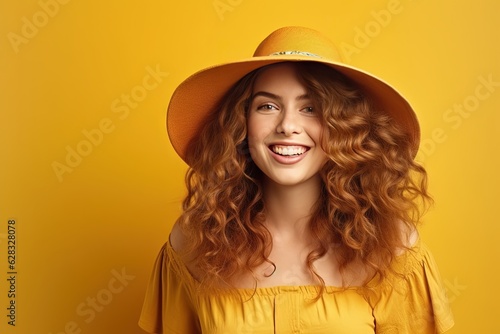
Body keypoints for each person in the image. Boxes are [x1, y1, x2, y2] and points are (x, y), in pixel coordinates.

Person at [138, 26, 454, 333]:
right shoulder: (193, 242)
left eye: (310, 107)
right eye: (268, 106)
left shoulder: (393, 246)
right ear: (241, 122)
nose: (288, 125)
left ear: (345, 127)